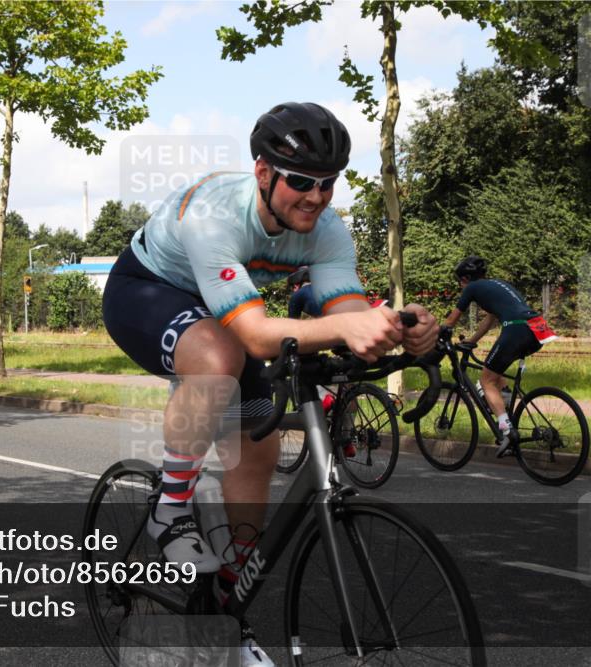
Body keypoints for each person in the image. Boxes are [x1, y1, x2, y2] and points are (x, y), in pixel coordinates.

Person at [102, 102, 438, 665]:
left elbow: (346, 308)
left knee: (256, 442)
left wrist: (394, 327)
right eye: (301, 182)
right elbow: (256, 335)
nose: (315, 196)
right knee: (217, 354)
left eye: (328, 183)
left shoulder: (326, 228)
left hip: (223, 314)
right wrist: (347, 325)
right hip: (146, 292)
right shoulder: (214, 214)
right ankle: (170, 504)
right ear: (263, 173)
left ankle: (231, 607)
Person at [444, 256, 558, 456]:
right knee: (496, 370)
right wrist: (471, 340)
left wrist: (436, 335)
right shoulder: (499, 285)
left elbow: (452, 319)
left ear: (464, 280)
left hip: (516, 329)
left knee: (486, 380)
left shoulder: (471, 288)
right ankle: (504, 401)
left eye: (460, 283)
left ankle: (506, 430)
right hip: (538, 327)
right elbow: (490, 319)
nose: (461, 287)